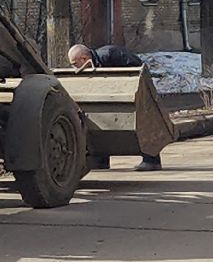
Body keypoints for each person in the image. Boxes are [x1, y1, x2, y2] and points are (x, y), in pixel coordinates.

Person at [68, 43, 163, 171]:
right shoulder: (92, 66)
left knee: (142, 124)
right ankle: (101, 160)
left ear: (84, 59)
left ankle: (151, 160)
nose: (74, 68)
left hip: (136, 94)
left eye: (74, 63)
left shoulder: (110, 54)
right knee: (102, 123)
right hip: (113, 96)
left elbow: (137, 68)